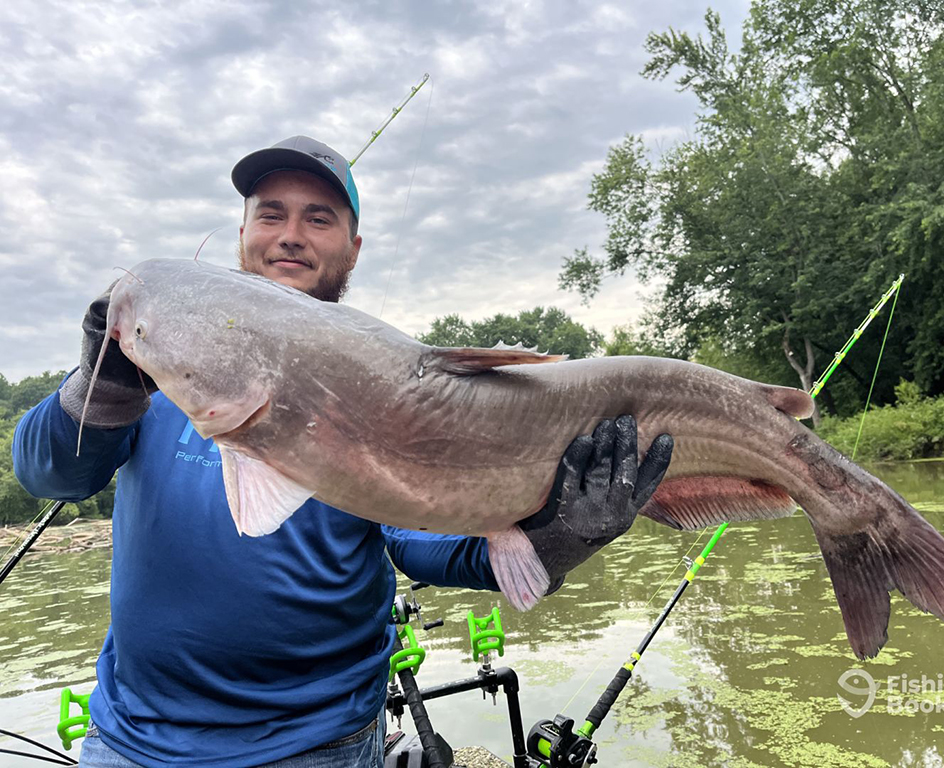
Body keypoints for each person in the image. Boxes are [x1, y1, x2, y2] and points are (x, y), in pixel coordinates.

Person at [12, 136, 673, 767]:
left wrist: (564, 536)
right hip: (132, 740)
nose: (291, 233)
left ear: (353, 249)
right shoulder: (158, 377)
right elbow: (51, 472)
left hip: (320, 745)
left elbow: (427, 544)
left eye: (319, 218)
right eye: (270, 214)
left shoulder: (397, 393)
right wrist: (104, 383)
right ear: (242, 235)